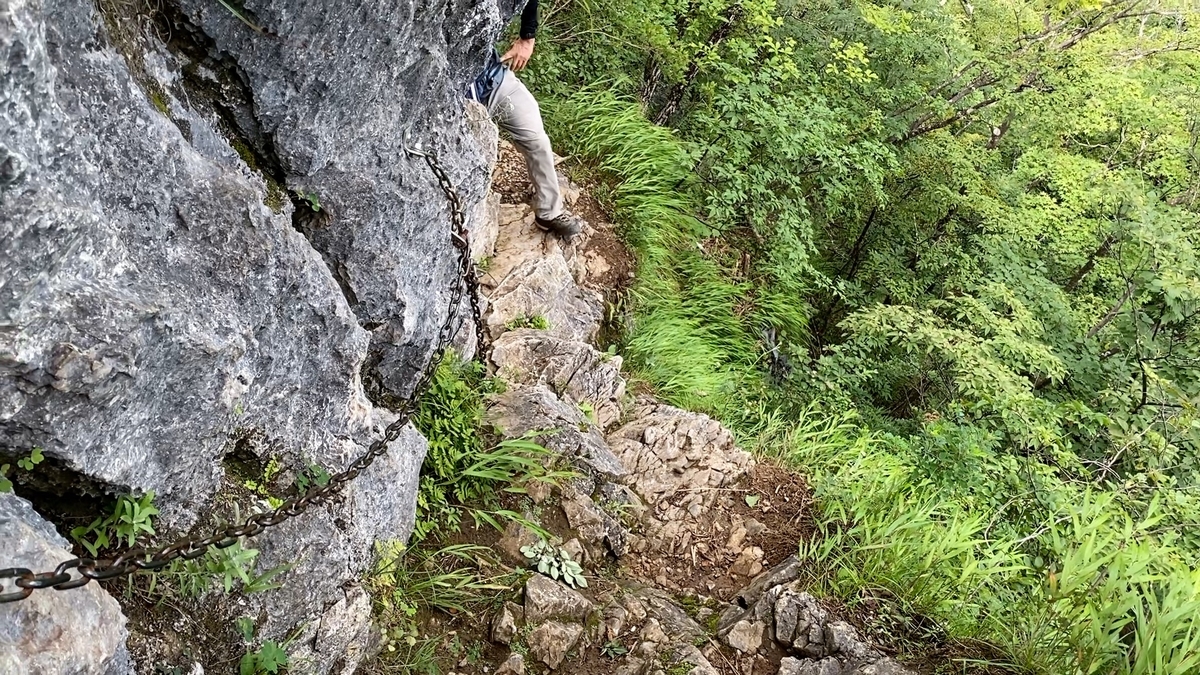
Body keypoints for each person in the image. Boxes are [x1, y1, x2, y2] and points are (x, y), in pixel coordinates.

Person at [469, 0, 583, 239]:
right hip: (453, 101)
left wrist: (528, 37)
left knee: (538, 141)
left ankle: (548, 212)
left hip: (494, 79)